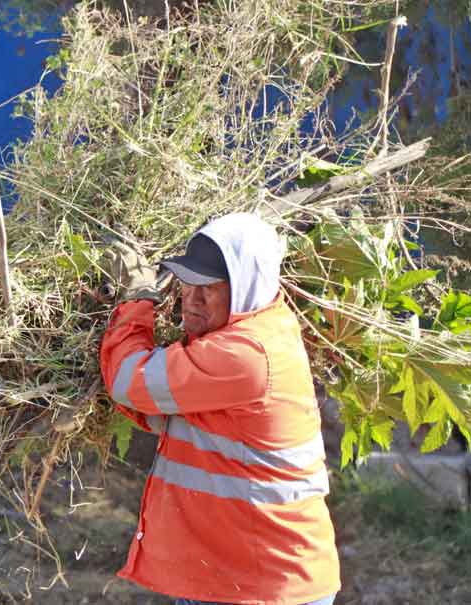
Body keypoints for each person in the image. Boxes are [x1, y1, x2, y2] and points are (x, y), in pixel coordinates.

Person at [99, 213, 340, 605]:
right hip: (235, 577)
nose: (190, 301)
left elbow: (129, 383)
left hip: (263, 587)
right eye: (186, 285)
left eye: (207, 289)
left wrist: (136, 301)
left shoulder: (244, 355)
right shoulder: (257, 332)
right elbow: (165, 411)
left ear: (245, 288)